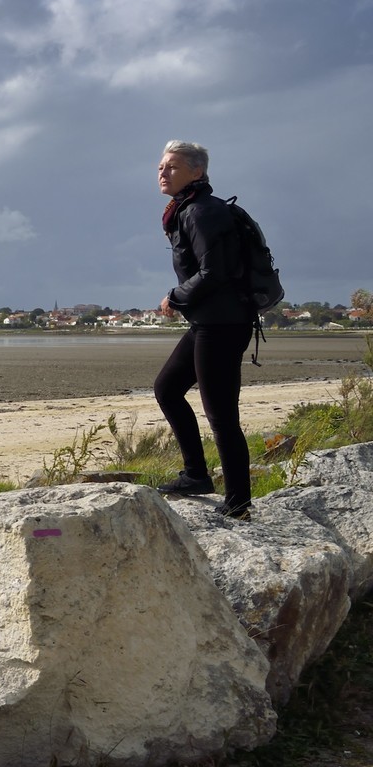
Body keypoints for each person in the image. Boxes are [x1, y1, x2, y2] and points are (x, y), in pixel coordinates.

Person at [153, 140, 254, 518]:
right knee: (167, 388)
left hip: (222, 325)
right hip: (208, 322)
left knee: (222, 415)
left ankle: (238, 502)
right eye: (161, 166)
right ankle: (196, 474)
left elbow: (215, 272)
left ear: (197, 172)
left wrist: (174, 297)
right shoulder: (189, 208)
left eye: (172, 167)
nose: (163, 172)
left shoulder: (201, 213)